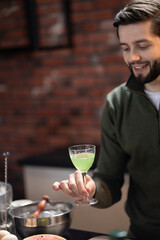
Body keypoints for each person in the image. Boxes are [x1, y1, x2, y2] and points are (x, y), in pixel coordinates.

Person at [52, 0, 160, 239]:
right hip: (144, 234)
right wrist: (92, 189)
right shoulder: (117, 102)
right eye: (125, 47)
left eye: (142, 45)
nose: (133, 57)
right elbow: (109, 179)